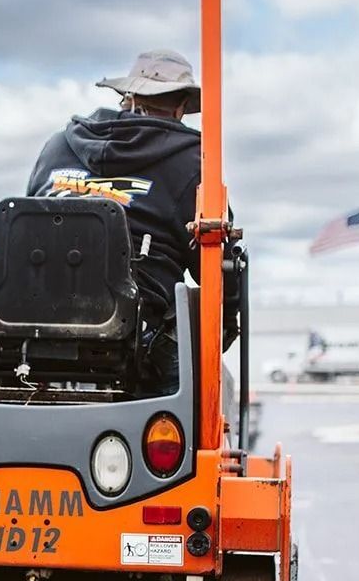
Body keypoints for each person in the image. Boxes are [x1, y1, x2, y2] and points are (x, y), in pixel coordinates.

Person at [27, 49, 239, 390]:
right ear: (182, 105)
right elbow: (217, 268)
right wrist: (226, 325)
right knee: (206, 389)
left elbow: (28, 226)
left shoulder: (58, 146)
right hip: (136, 342)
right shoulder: (193, 163)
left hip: (30, 328)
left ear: (129, 96)